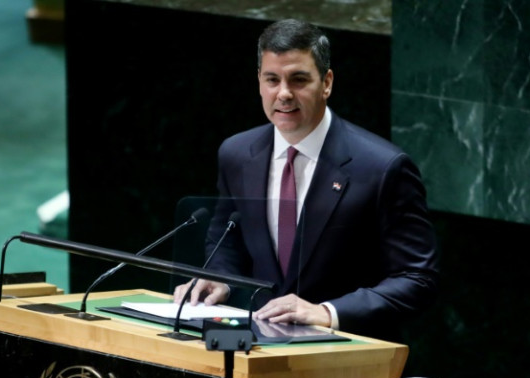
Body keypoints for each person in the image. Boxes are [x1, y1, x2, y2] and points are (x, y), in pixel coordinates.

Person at [174, 19, 439, 340]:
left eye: (298, 80)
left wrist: (327, 312)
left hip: (342, 361)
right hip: (248, 347)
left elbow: (417, 278)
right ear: (259, 81)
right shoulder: (237, 153)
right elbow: (225, 243)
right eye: (272, 79)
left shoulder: (383, 167)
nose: (283, 94)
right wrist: (220, 280)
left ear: (326, 82)